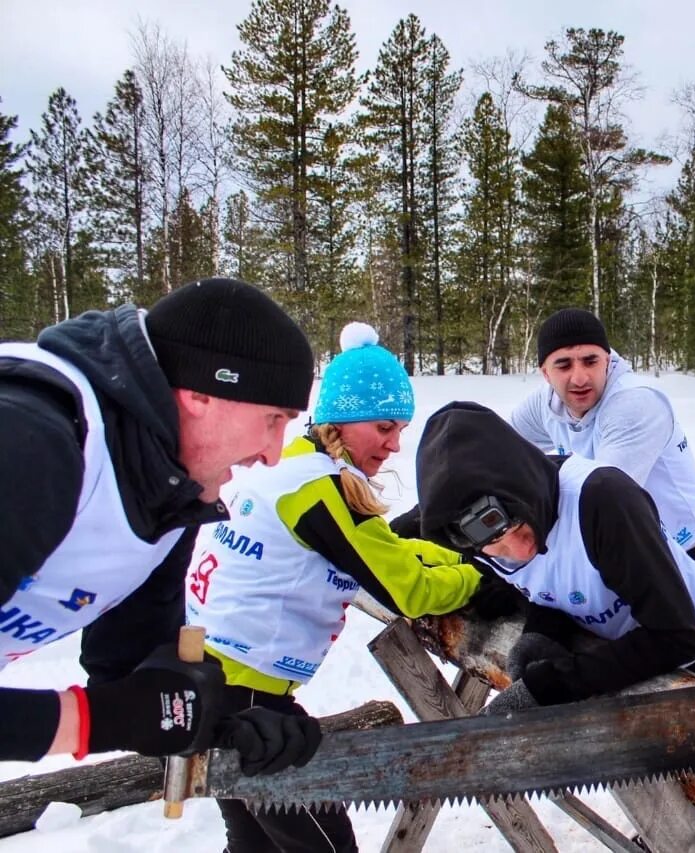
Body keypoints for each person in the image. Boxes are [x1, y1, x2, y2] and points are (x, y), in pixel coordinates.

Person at [0, 277, 321, 773]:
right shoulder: (29, 446)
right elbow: (117, 712)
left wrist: (229, 717)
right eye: (273, 419)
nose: (273, 453)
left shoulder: (167, 482)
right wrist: (94, 721)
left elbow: (133, 671)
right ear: (203, 394)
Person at [187, 323, 487, 853]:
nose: (395, 446)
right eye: (384, 427)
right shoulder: (322, 491)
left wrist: (462, 554)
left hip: (209, 678)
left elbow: (384, 551)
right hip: (247, 696)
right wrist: (480, 577)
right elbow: (408, 590)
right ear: (343, 421)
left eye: (400, 430)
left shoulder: (297, 468)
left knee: (254, 844)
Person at [415, 401, 695, 843]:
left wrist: (553, 686)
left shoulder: (601, 499)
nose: (515, 551)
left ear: (524, 491)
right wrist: (542, 635)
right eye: (495, 548)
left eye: (520, 532)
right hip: (643, 665)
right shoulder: (480, 532)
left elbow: (676, 635)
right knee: (669, 816)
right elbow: (553, 582)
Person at [510, 308, 695, 587]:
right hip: (623, 554)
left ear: (607, 361)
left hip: (686, 554)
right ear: (545, 373)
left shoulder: (634, 404)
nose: (579, 378)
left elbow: (604, 504)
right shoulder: (545, 405)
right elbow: (499, 448)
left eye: (590, 361)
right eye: (564, 365)